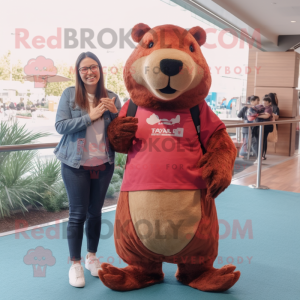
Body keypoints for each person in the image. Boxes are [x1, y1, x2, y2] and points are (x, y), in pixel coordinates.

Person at [54, 51, 121, 288]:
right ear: (78, 73)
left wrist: (115, 112)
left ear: (100, 70)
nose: (89, 72)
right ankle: (75, 264)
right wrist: (89, 117)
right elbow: (60, 126)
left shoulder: (112, 97)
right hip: (75, 164)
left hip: (103, 164)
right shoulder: (70, 95)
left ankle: (92, 257)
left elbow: (122, 133)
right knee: (77, 214)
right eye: (84, 69)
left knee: (95, 212)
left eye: (93, 67)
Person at [251, 96, 273, 162]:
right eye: (263, 102)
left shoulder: (268, 108)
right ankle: (259, 156)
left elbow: (266, 116)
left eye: (266, 103)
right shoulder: (260, 106)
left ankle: (260, 157)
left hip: (265, 127)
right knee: (258, 141)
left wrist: (256, 115)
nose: (264, 104)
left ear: (269, 103)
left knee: (260, 141)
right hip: (259, 126)